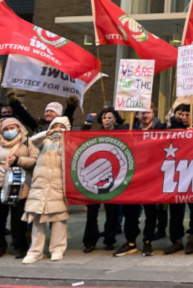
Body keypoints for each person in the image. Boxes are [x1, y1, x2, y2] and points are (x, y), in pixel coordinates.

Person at [115, 103, 165, 257]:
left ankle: (147, 240)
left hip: (151, 178)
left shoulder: (161, 130)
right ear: (136, 115)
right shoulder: (128, 130)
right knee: (130, 211)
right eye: (141, 112)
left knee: (151, 212)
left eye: (148, 112)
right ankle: (130, 241)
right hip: (132, 178)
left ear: (153, 113)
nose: (145, 115)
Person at [21, 117, 70, 264]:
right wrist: (48, 132)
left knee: (59, 219)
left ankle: (57, 249)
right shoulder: (45, 141)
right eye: (56, 125)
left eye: (62, 126)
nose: (58, 128)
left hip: (58, 185)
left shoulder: (69, 143)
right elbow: (32, 141)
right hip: (40, 185)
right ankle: (35, 251)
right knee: (37, 218)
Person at [82, 108, 127, 252]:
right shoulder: (96, 134)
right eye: (104, 117)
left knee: (112, 214)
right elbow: (81, 135)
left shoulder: (123, 133)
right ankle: (90, 241)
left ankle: (110, 240)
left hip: (114, 178)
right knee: (92, 214)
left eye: (109, 117)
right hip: (95, 179)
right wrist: (88, 122)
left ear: (115, 119)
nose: (106, 120)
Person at [164, 103, 193, 255]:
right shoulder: (172, 129)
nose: (184, 118)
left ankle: (191, 238)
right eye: (183, 115)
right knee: (175, 211)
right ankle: (176, 240)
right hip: (177, 176)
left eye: (188, 115)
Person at [0, 117, 40, 258]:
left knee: (18, 220)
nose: (9, 131)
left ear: (19, 128)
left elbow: (35, 160)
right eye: (6, 129)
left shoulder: (27, 142)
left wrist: (18, 160)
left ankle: (20, 246)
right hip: (1, 186)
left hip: (20, 186)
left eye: (12, 128)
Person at [7, 90, 78, 133]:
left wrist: (71, 107)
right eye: (47, 111)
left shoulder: (63, 126)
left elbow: (67, 117)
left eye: (52, 111)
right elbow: (25, 116)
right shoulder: (39, 124)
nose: (48, 113)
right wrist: (15, 103)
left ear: (59, 115)